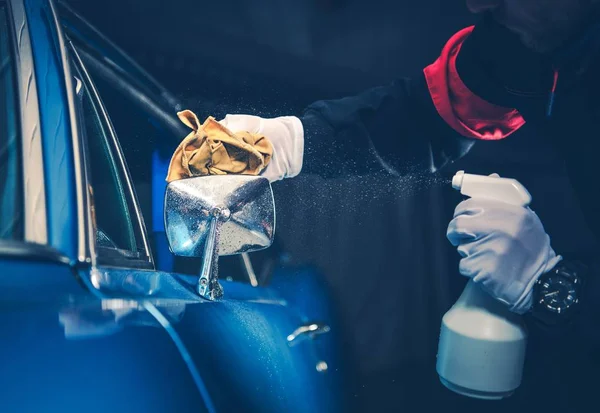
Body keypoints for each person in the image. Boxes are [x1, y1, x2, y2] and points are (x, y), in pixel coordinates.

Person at [220, 0, 600, 410]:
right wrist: (292, 143)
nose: (478, 4)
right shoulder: (519, 44)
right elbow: (424, 116)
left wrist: (555, 286)